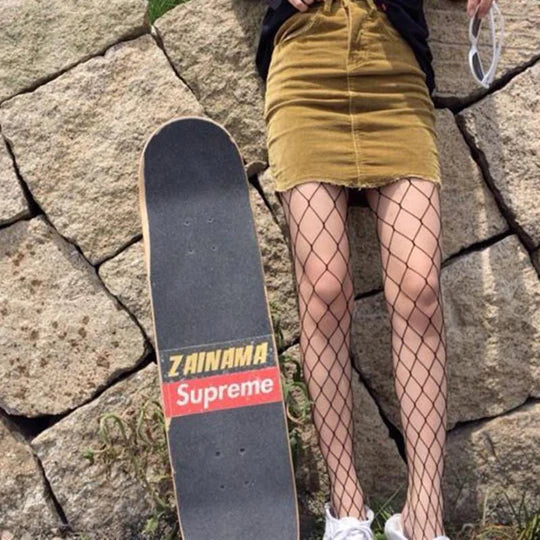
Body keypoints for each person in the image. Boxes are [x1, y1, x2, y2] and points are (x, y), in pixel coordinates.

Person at [257, 0, 494, 539]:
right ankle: (346, 510)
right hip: (304, 66)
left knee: (419, 290)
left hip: (394, 68)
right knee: (323, 291)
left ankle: (423, 517)